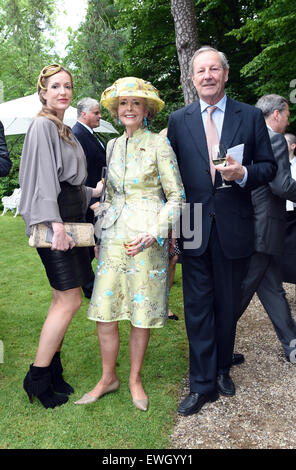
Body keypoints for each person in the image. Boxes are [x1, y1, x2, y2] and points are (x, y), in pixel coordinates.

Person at [167, 46, 277, 417]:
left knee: (227, 303)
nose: (208, 75)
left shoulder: (249, 116)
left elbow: (269, 167)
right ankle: (201, 384)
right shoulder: (178, 120)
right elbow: (170, 176)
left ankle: (222, 368)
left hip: (234, 222)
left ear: (225, 74)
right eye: (201, 70)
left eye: (214, 69)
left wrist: (243, 174)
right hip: (193, 222)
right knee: (197, 306)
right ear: (193, 77)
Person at [74, 77, 184, 411]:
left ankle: (134, 379)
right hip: (113, 237)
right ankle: (109, 378)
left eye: (136, 104)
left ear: (147, 110)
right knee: (105, 312)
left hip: (146, 238)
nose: (129, 109)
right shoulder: (111, 146)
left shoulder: (158, 145)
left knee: (139, 313)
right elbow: (109, 193)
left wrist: (155, 232)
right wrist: (100, 230)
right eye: (123, 103)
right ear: (116, 109)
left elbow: (177, 195)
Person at [19, 64, 103, 409]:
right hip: (55, 224)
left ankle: (52, 371)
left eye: (67, 85)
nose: (63, 91)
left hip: (69, 216)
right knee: (68, 300)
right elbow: (41, 181)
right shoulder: (41, 125)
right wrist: (55, 227)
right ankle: (37, 376)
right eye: (55, 86)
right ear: (43, 92)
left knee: (61, 299)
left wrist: (93, 193)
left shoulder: (63, 128)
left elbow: (67, 182)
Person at [234, 94, 296, 362]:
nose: (288, 119)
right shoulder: (275, 140)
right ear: (276, 114)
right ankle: (211, 342)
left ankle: (291, 343)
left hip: (253, 226)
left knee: (272, 288)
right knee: (241, 292)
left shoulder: (247, 137)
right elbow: (281, 184)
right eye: (287, 113)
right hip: (264, 228)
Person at [72, 98, 106, 299]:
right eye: (96, 113)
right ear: (84, 114)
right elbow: (79, 172)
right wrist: (92, 200)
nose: (100, 116)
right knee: (86, 245)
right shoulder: (77, 135)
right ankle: (88, 285)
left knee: (94, 243)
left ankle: (90, 282)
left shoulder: (92, 134)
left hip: (99, 198)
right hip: (88, 202)